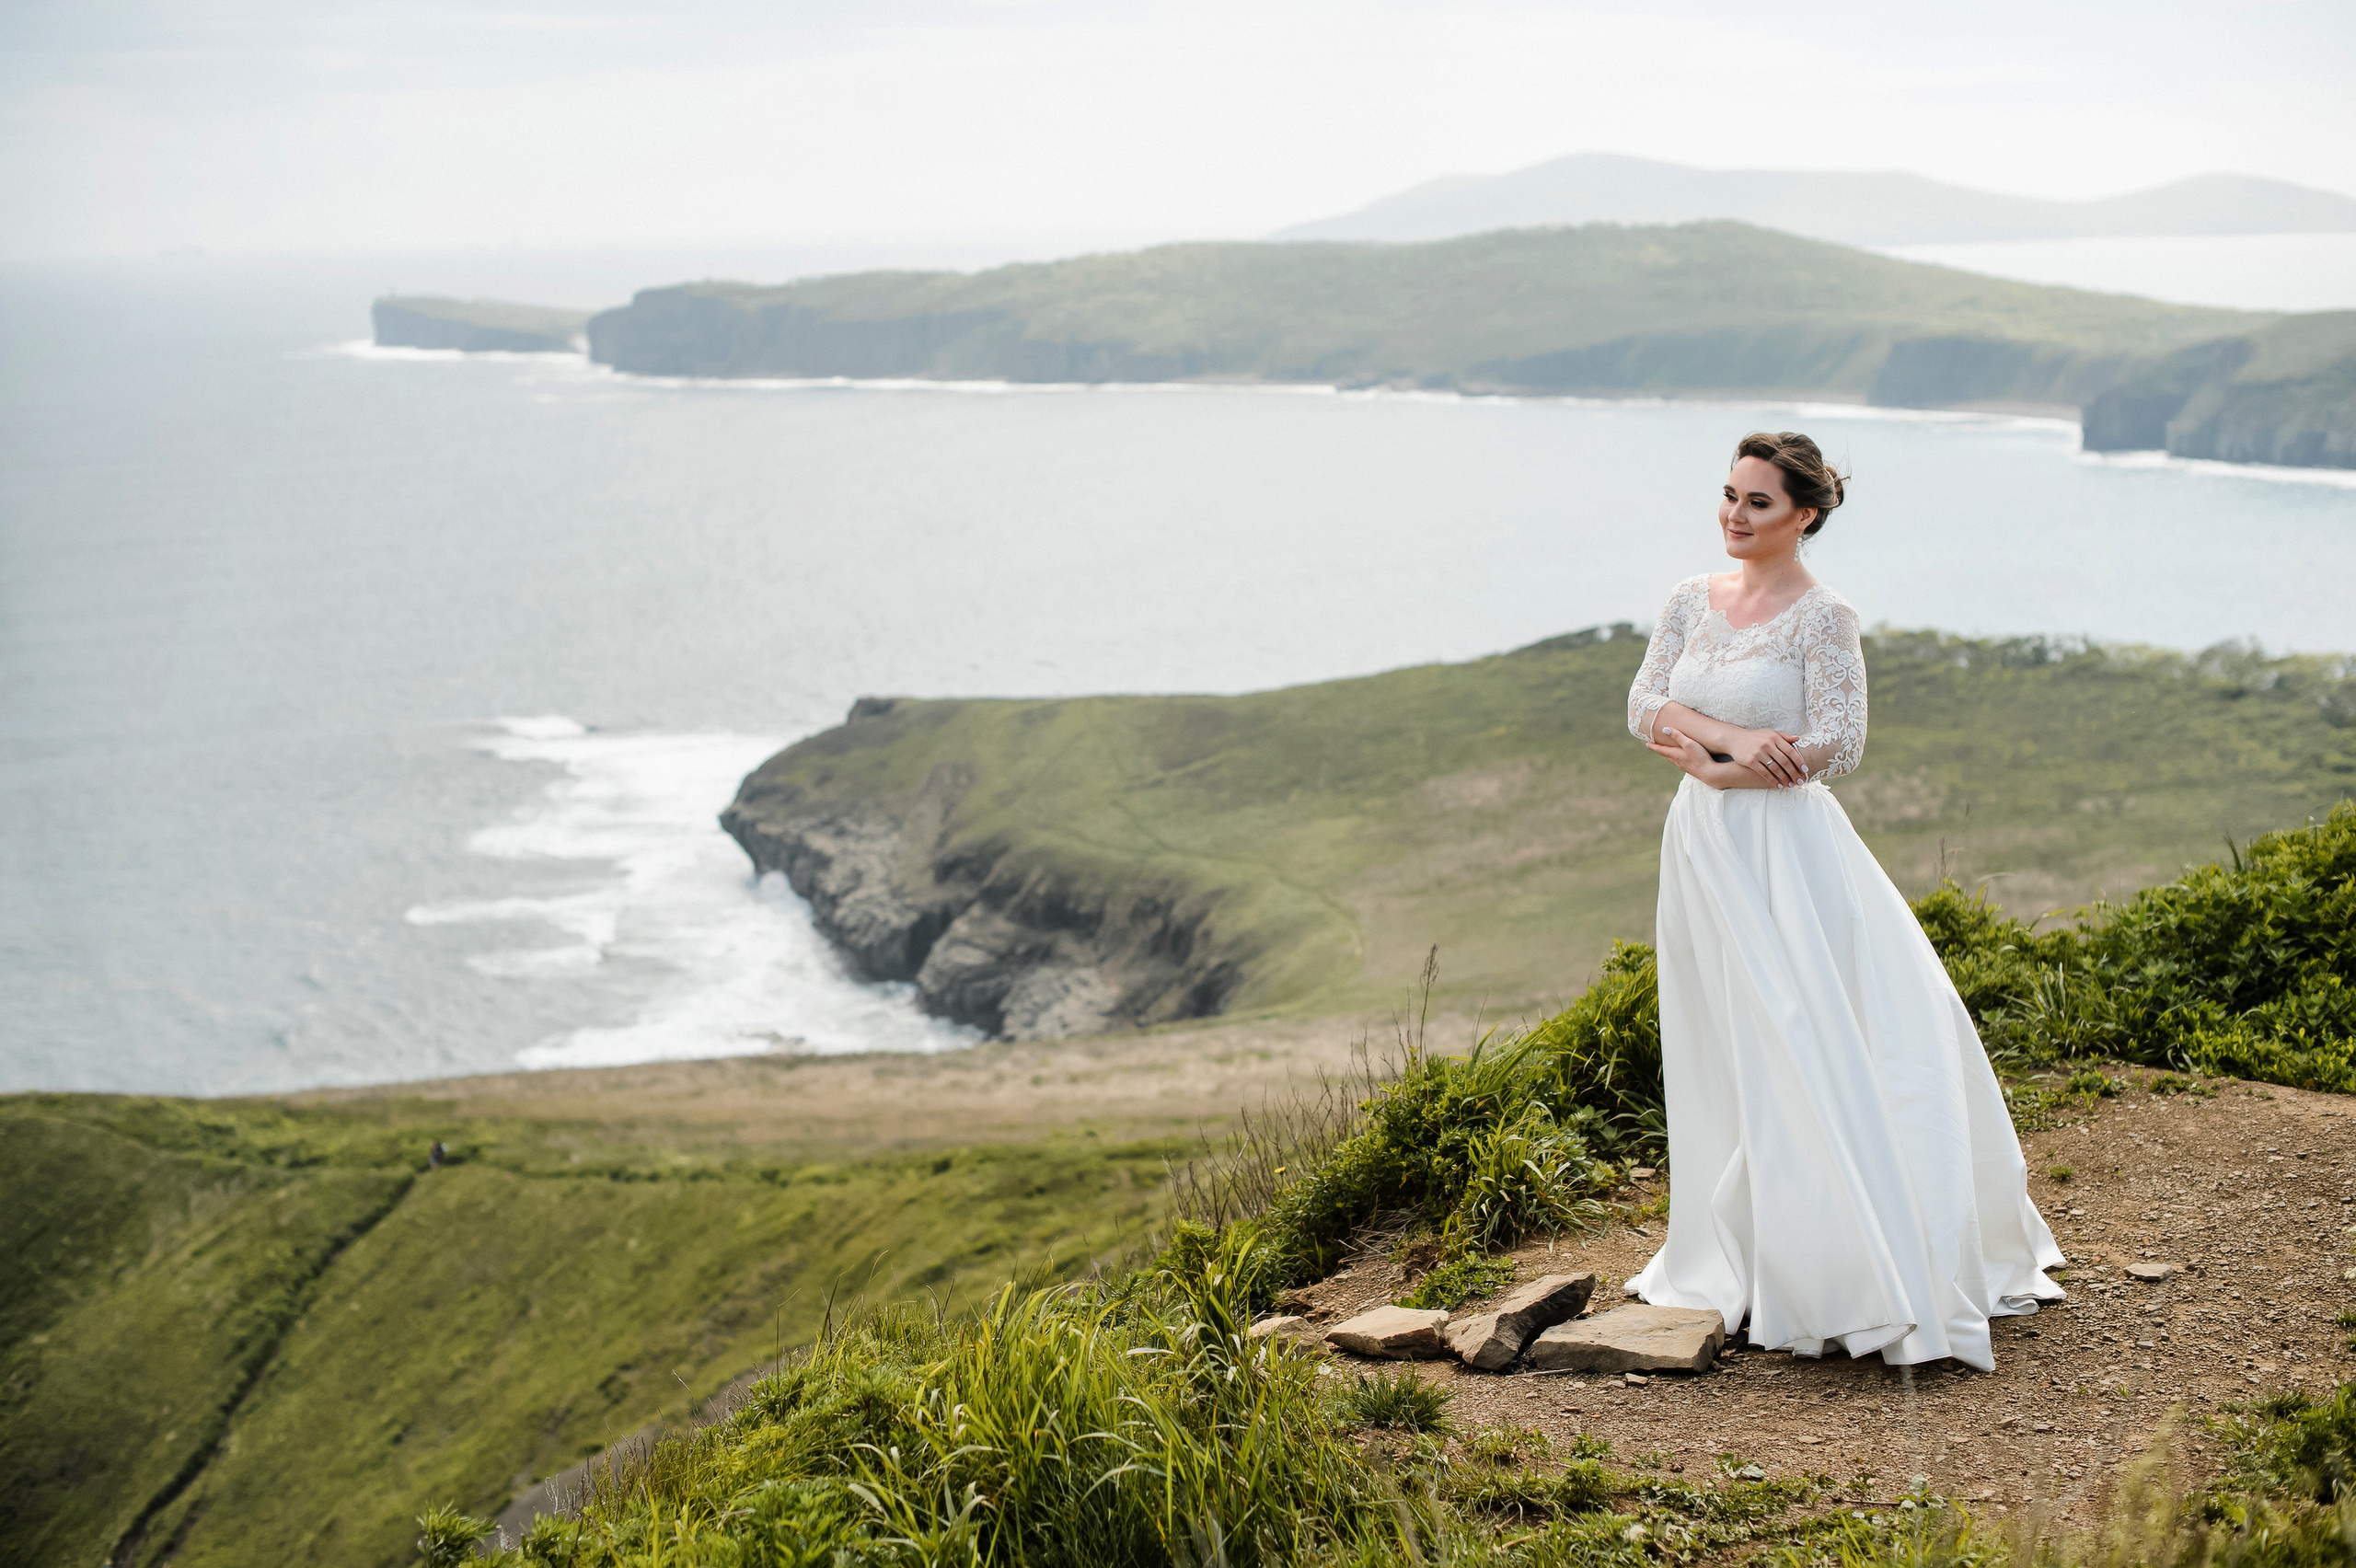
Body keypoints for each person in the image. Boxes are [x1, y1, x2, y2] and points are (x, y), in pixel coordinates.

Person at [1622, 430, 2062, 1372]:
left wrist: (1738, 772)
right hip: (1700, 839)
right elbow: (1642, 702)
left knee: (1801, 1029)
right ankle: (1736, 1245)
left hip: (1784, 846)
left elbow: (1841, 741)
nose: (1734, 516)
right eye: (1730, 496)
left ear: (1804, 516)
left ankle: (1837, 1255)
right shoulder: (1686, 600)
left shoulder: (1826, 616)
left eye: (1758, 504)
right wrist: (1724, 743)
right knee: (1723, 1036)